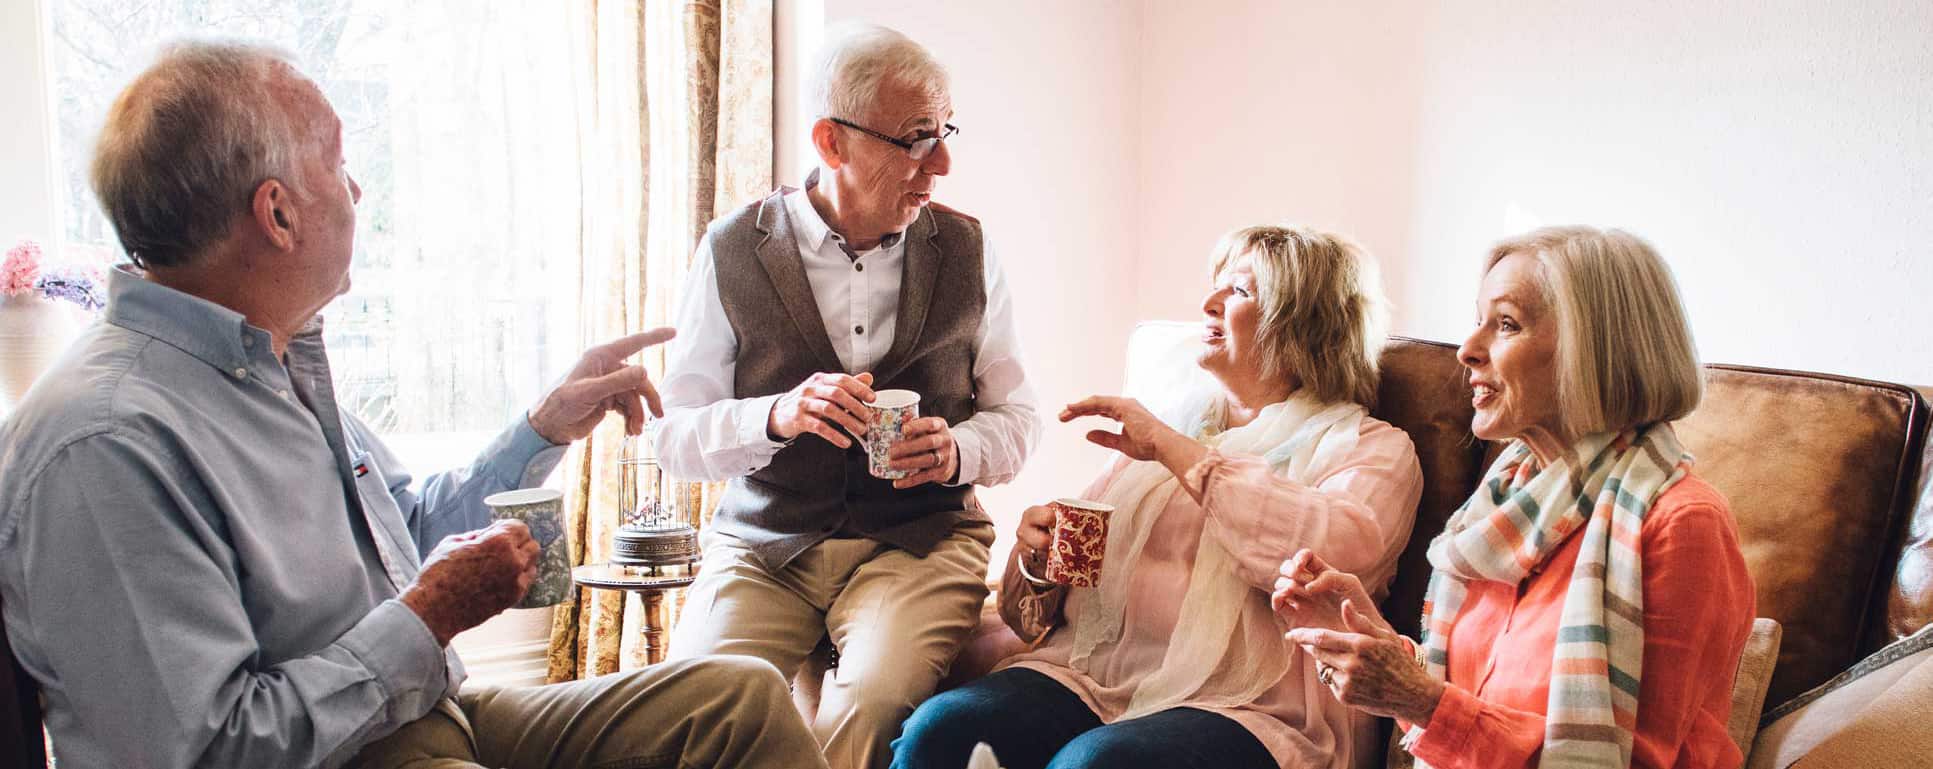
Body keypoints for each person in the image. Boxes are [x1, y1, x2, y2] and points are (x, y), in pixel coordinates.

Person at [0, 40, 827, 769]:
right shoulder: (105, 442)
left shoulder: (269, 362)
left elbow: (403, 531)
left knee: (739, 701)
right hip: (339, 752)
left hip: (421, 717)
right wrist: (425, 617)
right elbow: (211, 749)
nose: (357, 189)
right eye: (337, 163)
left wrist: (540, 429)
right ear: (277, 213)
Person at [891, 225, 1423, 769]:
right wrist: (1037, 558)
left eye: (1239, 291)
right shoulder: (1177, 422)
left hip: (1252, 707)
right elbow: (1040, 609)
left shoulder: (1370, 448)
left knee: (1097, 764)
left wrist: (1177, 452)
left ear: (1306, 323)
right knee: (940, 731)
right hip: (1093, 678)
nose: (1209, 303)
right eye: (1217, 285)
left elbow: (1325, 557)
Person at [654, 22, 1040, 769]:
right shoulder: (731, 248)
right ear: (832, 143)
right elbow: (674, 437)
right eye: (917, 138)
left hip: (919, 544)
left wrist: (957, 450)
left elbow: (1019, 417)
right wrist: (774, 415)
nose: (943, 162)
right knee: (691, 709)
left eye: (944, 133)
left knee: (869, 703)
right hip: (765, 545)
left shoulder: (969, 250)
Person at [1275, 226, 1756, 769]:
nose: (1467, 350)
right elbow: (1463, 712)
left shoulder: (1682, 524)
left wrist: (1420, 699)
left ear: (1594, 349)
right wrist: (1376, 647)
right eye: (1478, 320)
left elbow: (1633, 762)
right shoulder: (1504, 506)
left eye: (1506, 324)